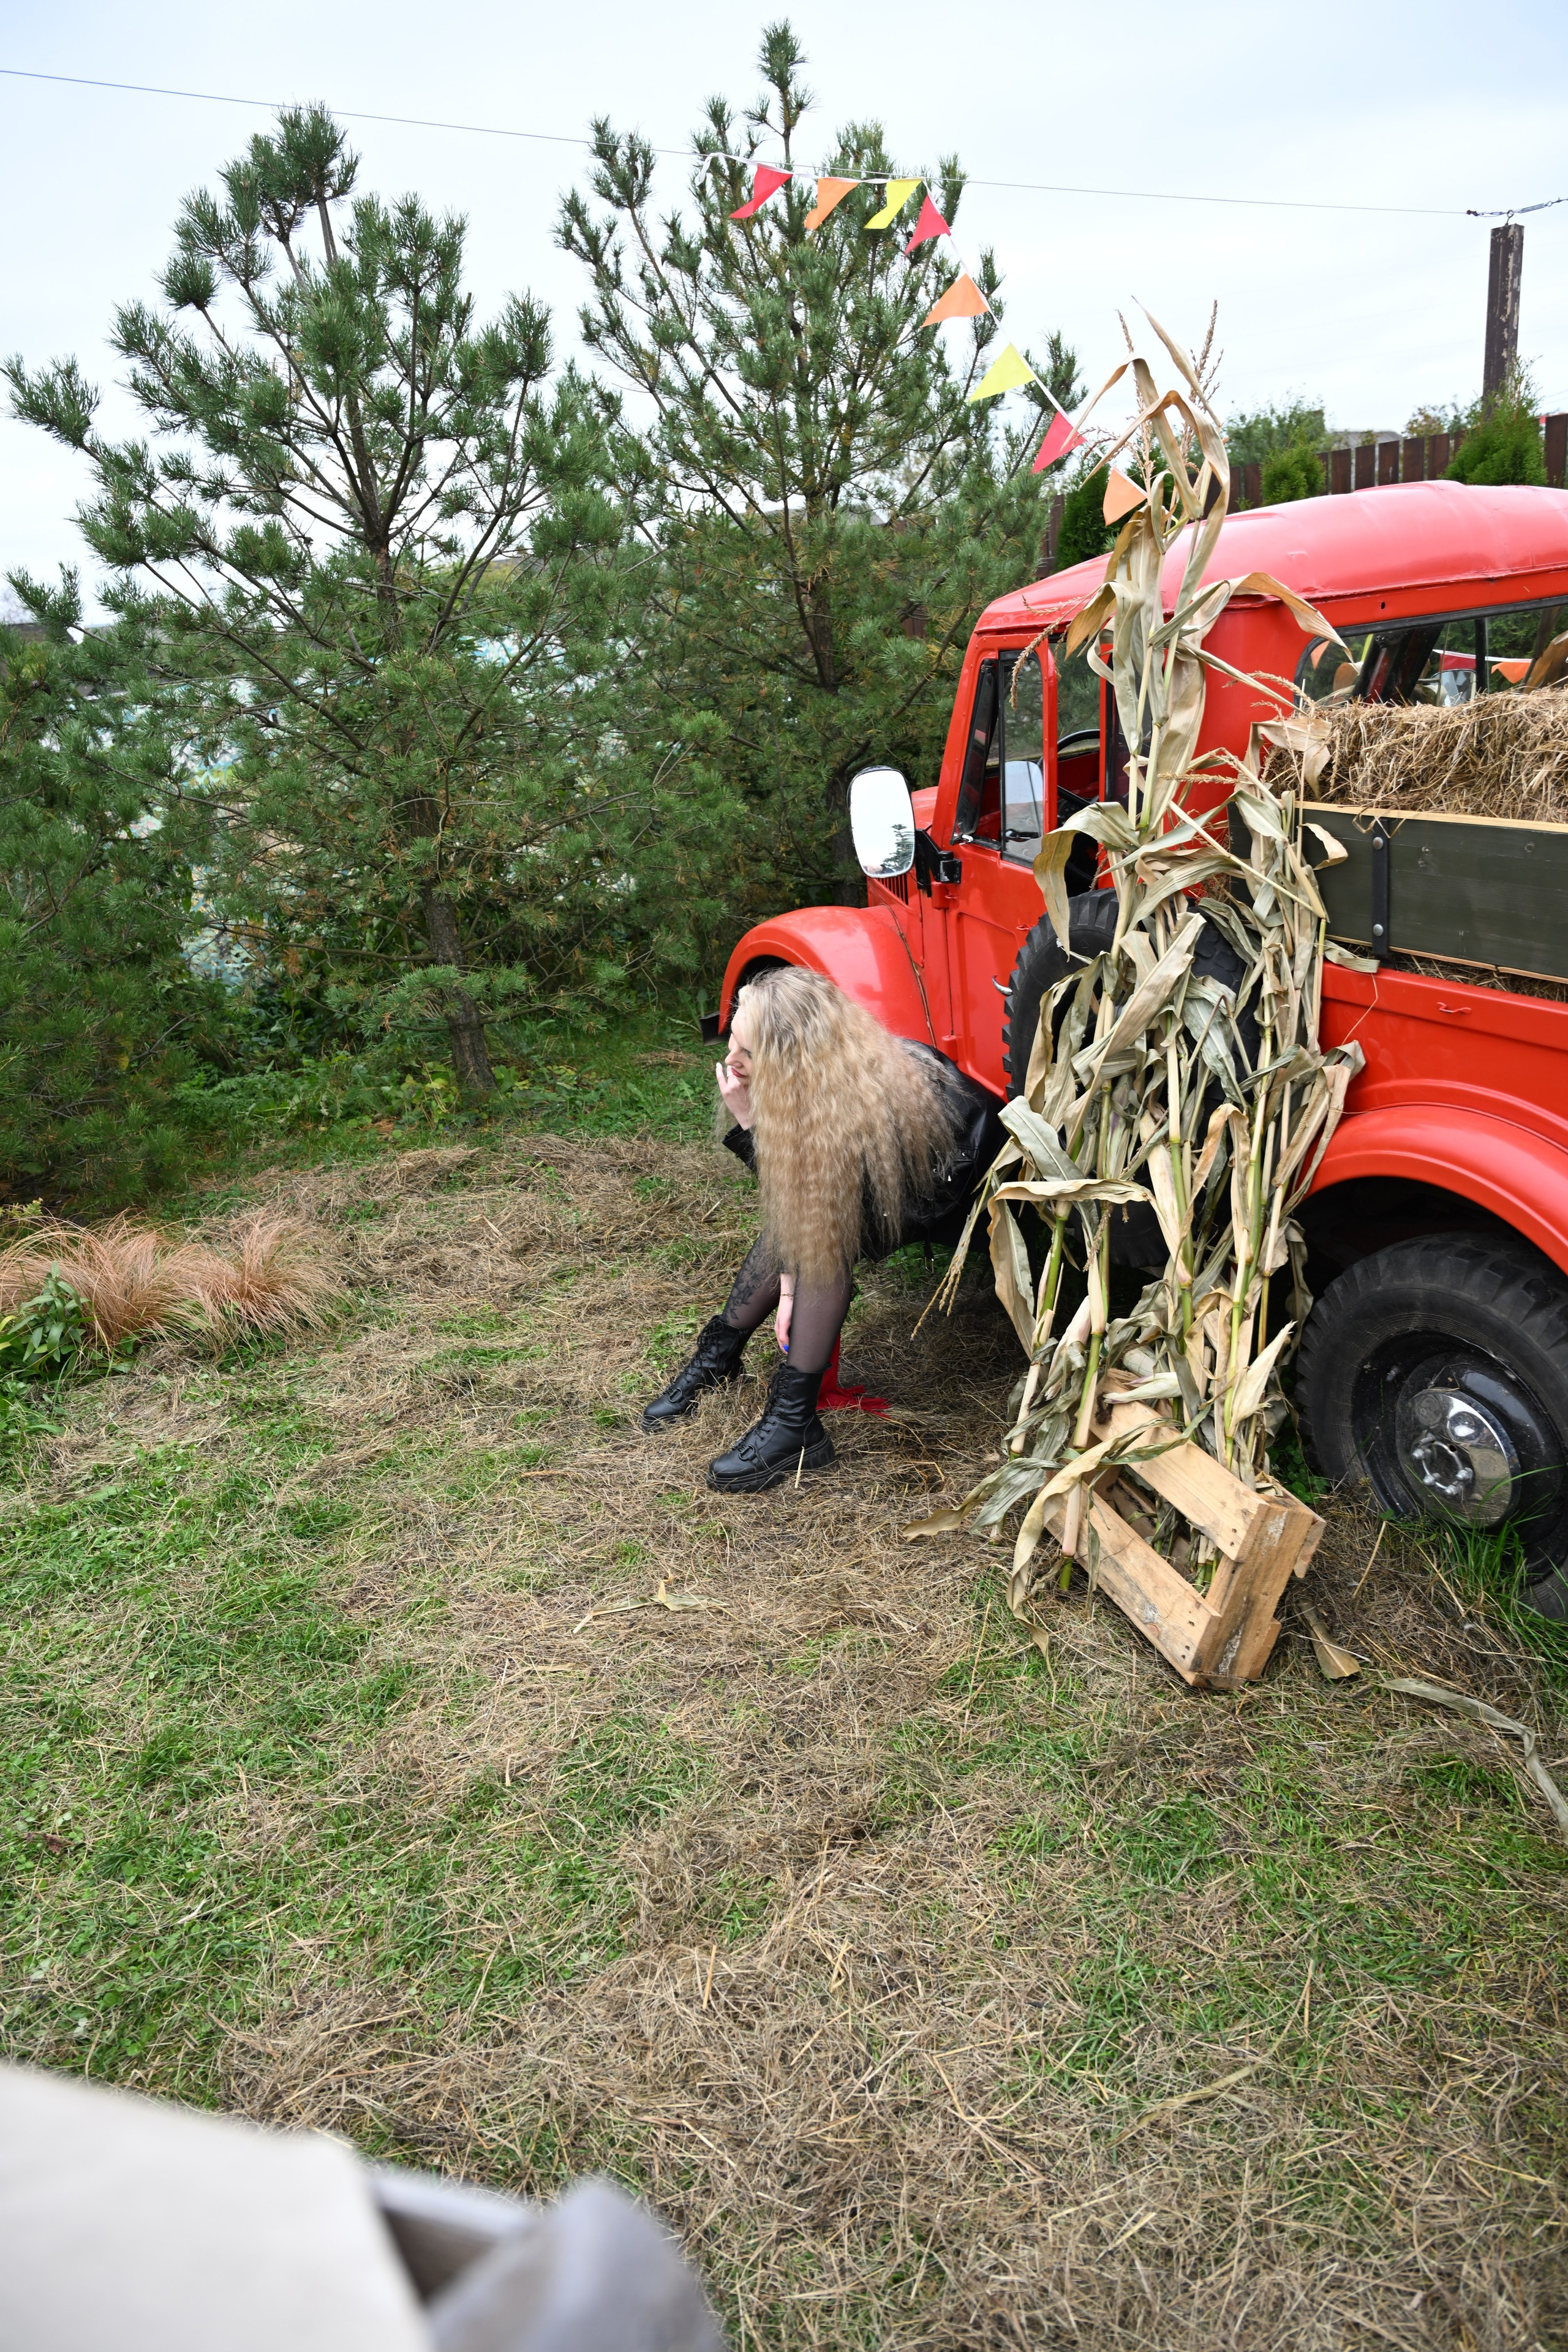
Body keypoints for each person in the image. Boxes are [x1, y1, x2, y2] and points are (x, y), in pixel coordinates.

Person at [641, 966, 1005, 1493]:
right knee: (802, 1237)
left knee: (820, 1250)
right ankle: (718, 1358)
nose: (732, 1061)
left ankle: (795, 1427)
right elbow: (798, 1197)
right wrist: (785, 1286)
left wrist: (750, 1126)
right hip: (891, 1188)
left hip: (956, 1198)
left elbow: (817, 1209)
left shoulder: (856, 1104)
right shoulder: (821, 1078)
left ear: (790, 1055)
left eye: (746, 1051)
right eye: (733, 1043)